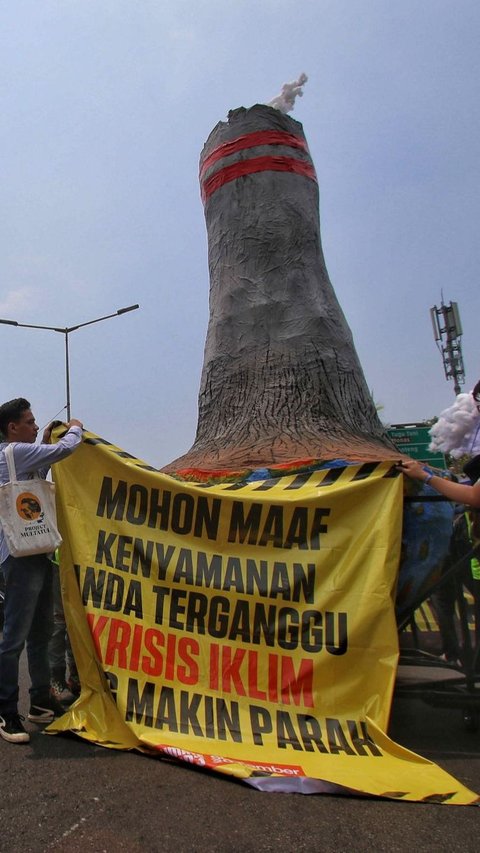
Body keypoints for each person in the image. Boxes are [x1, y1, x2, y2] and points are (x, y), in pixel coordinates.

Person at [0, 398, 83, 744]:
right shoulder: (13, 453)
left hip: (37, 551)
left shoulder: (19, 456)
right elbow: (66, 449)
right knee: (15, 636)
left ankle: (40, 702)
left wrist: (41, 442)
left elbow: (35, 480)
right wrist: (76, 427)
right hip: (19, 556)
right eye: (30, 422)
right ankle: (6, 712)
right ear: (12, 428)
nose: (36, 426)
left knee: (40, 631)